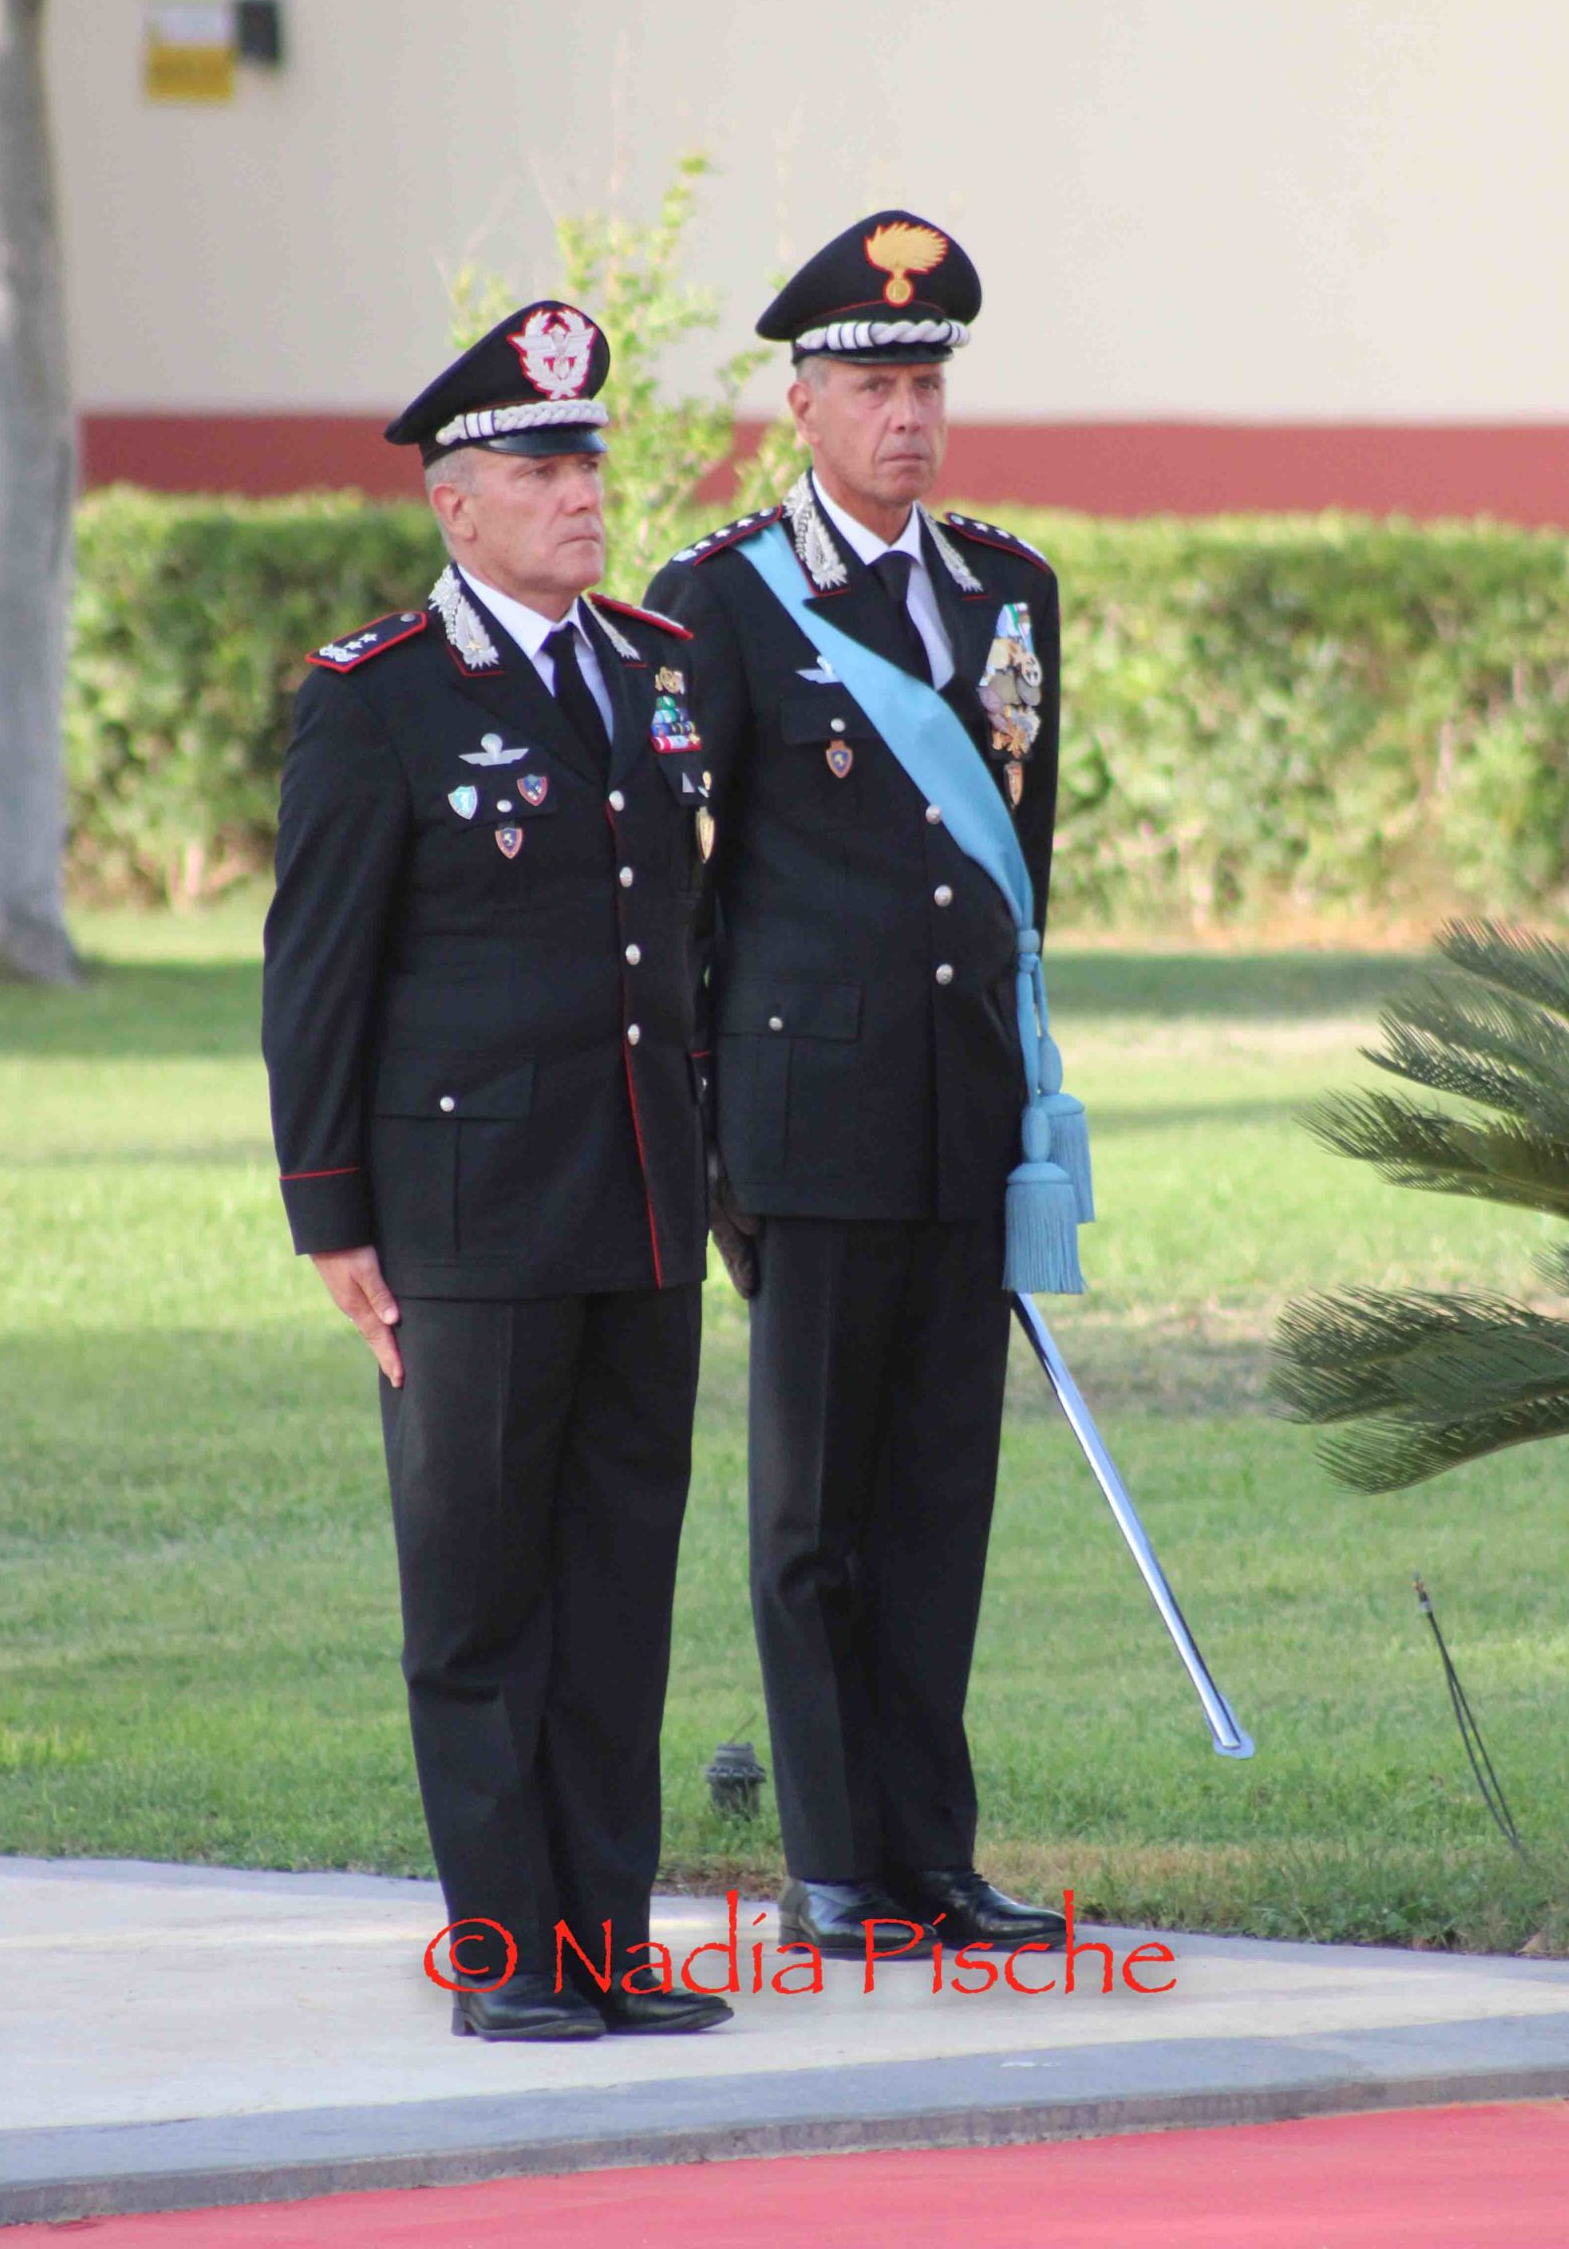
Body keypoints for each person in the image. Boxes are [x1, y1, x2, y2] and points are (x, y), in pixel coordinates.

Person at [262, 301, 728, 2040]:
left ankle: (606, 1942)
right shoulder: (377, 697)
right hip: (465, 1221)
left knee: (617, 1591)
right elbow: (317, 973)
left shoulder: (652, 664)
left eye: (587, 463)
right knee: (477, 1598)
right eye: (540, 472)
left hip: (639, 1201)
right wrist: (331, 1216)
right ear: (456, 505)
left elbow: (680, 943)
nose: (580, 495)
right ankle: (506, 1955)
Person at [646, 212, 1071, 1959]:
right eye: (875, 385)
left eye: (927, 384)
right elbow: (680, 899)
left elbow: (1023, 877)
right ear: (802, 405)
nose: (908, 416)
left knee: (940, 1505)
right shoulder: (723, 598)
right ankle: (834, 1861)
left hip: (964, 1119)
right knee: (815, 1512)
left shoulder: (1009, 592)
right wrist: (710, 1135)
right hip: (807, 1124)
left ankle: (932, 1855)